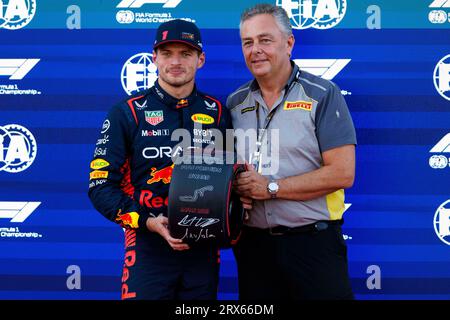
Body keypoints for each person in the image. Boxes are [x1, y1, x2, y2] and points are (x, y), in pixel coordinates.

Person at [88, 19, 232, 300]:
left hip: (203, 251)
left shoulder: (217, 113)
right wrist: (148, 222)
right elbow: (100, 187)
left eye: (186, 53)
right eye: (167, 53)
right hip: (147, 247)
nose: (175, 61)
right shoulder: (126, 113)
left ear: (200, 60)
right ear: (154, 58)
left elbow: (230, 179)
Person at [227, 4, 356, 300]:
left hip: (314, 243)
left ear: (289, 43)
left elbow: (343, 172)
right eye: (248, 42)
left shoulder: (322, 94)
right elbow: (227, 169)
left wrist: (271, 187)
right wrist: (235, 187)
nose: (255, 49)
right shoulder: (234, 103)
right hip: (253, 247)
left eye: (265, 40)